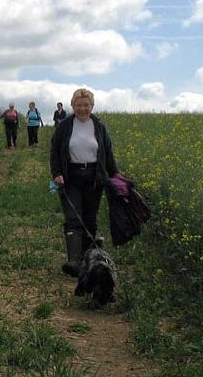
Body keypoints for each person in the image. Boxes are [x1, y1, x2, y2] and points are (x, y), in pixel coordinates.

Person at [50, 88, 125, 277]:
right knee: (74, 218)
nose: (83, 109)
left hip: (94, 177)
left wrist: (116, 175)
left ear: (92, 106)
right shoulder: (66, 126)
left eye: (86, 105)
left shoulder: (99, 126)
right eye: (79, 105)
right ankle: (74, 260)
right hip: (71, 177)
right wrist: (57, 173)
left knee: (90, 220)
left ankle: (88, 260)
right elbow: (55, 150)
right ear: (73, 106)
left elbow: (107, 152)